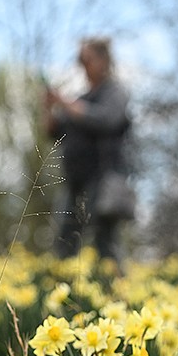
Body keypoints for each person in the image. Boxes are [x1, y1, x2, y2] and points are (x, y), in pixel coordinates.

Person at [44, 37, 132, 262]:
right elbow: (53, 131)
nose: (82, 65)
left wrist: (65, 103)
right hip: (75, 180)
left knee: (106, 240)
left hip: (103, 178)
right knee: (65, 239)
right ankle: (65, 289)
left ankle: (115, 290)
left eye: (86, 59)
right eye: (79, 60)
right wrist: (48, 107)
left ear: (103, 60)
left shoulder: (115, 92)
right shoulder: (80, 98)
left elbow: (106, 120)